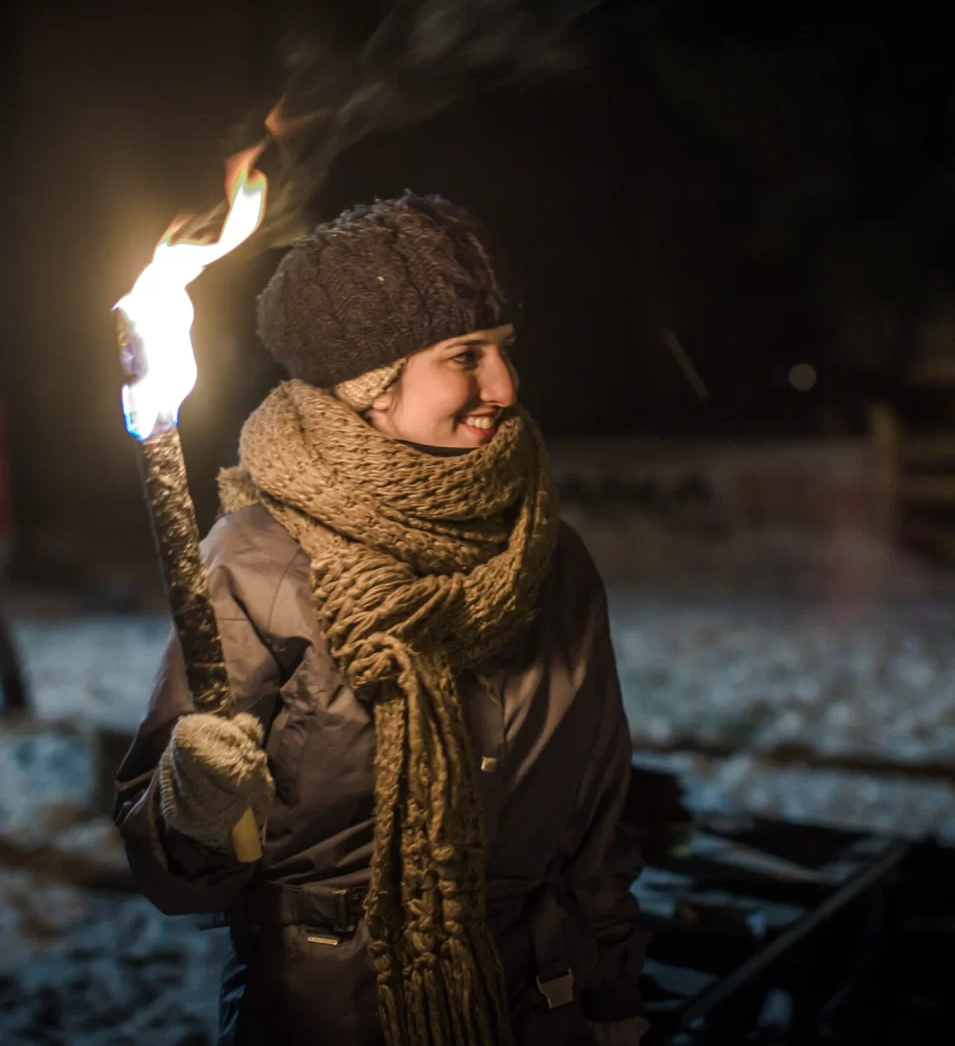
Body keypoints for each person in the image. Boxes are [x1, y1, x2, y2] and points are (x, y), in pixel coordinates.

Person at [114, 194, 649, 1045]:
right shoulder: (254, 563)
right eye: (464, 356)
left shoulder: (551, 556)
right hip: (327, 1017)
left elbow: (600, 824)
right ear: (370, 385)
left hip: (540, 1010)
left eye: (504, 351)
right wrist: (193, 811)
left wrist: (617, 999)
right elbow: (177, 876)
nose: (504, 386)